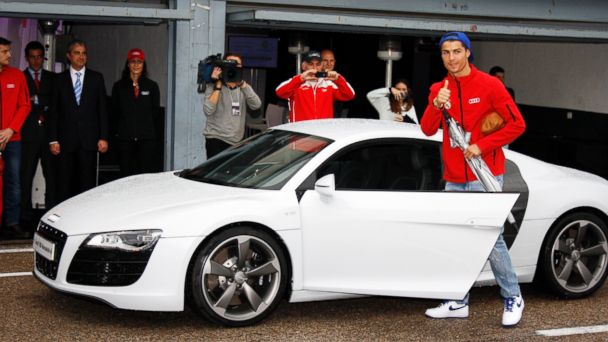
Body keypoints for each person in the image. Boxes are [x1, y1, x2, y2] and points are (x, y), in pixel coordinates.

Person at [420, 32, 526, 327]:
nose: (451, 58)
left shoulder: (490, 85)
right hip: (454, 176)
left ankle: (513, 296)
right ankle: (458, 300)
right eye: (445, 52)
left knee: (491, 240)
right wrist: (437, 103)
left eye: (456, 51)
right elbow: (428, 129)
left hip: (486, 174)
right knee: (458, 240)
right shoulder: (438, 89)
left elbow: (517, 124)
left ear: (468, 53)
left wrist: (483, 145)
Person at [48, 39, 109, 203]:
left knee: (86, 185)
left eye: (84, 53)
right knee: (64, 184)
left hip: (88, 141)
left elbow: (102, 110)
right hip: (65, 141)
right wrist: (53, 139)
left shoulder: (96, 78)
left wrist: (103, 137)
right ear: (69, 56)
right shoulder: (58, 80)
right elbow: (54, 111)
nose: (81, 57)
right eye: (77, 53)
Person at [20, 41, 57, 232]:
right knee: (25, 177)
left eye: (39, 57)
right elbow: (23, 103)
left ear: (44, 58)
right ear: (27, 58)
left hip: (49, 134)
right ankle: (24, 218)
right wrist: (41, 102)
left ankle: (50, 216)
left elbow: (55, 102)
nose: (36, 61)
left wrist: (37, 101)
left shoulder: (52, 78)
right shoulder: (21, 77)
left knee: (51, 176)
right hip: (28, 135)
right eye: (32, 57)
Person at [111, 48, 161, 177]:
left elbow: (155, 112)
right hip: (125, 139)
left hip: (146, 140)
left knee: (144, 176)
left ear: (143, 65)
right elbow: (115, 112)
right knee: (126, 176)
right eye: (133, 61)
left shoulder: (152, 86)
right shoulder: (119, 86)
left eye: (139, 61)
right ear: (128, 64)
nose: (136, 65)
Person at [0, 37, 31, 239]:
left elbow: (25, 105)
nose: (10, 55)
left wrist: (11, 129)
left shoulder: (17, 75)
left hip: (13, 138)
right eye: (4, 51)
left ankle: (12, 223)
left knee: (14, 182)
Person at [203, 52, 261, 158]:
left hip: (237, 142)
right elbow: (208, 110)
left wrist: (243, 85)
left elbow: (256, 105)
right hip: (216, 139)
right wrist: (218, 86)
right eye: (230, 64)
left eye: (237, 65)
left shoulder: (243, 87)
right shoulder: (213, 85)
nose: (233, 67)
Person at [276, 50, 355, 122]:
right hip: (300, 131)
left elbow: (349, 95)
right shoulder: (296, 82)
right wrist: (300, 78)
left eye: (318, 64)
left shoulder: (329, 84)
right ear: (304, 66)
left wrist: (338, 79)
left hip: (322, 132)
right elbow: (279, 92)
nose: (314, 67)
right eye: (311, 64)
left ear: (322, 66)